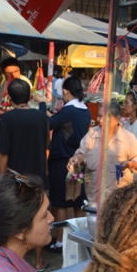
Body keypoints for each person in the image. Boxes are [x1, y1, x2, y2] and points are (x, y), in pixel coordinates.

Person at [0, 78, 50, 272]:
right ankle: (39, 262)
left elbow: (3, 153)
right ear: (29, 97)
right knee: (39, 216)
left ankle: (15, 262)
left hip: (16, 178)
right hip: (38, 175)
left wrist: (1, 178)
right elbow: (46, 148)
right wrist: (44, 169)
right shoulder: (41, 117)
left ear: (9, 98)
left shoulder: (7, 119)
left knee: (16, 219)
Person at [68, 100, 137, 205]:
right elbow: (82, 153)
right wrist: (75, 159)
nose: (100, 120)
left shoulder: (128, 138)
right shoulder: (92, 134)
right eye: (99, 116)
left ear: (117, 119)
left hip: (118, 198)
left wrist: (130, 164)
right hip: (94, 196)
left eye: (106, 117)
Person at [46, 76, 91, 252]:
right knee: (77, 200)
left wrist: (42, 107)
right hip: (79, 160)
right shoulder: (85, 110)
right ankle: (80, 239)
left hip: (62, 161)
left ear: (66, 92)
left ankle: (60, 242)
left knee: (60, 202)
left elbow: (49, 124)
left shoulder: (68, 110)